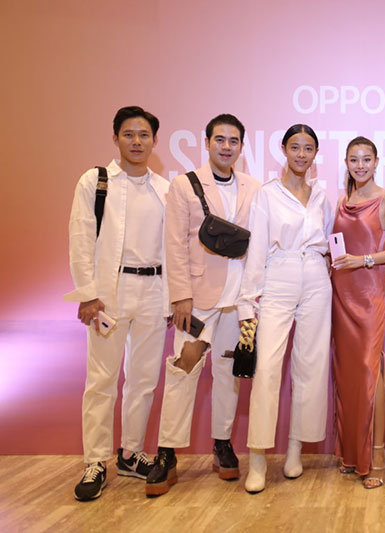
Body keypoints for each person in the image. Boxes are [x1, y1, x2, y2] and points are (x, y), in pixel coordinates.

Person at [146, 114, 260, 497]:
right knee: (184, 367)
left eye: (234, 140)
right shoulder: (184, 184)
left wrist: (254, 300)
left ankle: (222, 444)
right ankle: (167, 452)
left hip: (239, 301)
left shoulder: (253, 187)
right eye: (220, 139)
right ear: (207, 142)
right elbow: (174, 243)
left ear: (242, 146)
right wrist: (179, 295)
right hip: (196, 298)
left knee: (229, 372)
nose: (227, 146)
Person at [66, 106, 169, 501]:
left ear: (154, 141)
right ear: (115, 138)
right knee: (102, 380)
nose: (137, 142)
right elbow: (80, 238)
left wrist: (171, 299)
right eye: (129, 134)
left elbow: (173, 249)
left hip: (154, 291)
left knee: (143, 380)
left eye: (144, 135)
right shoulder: (95, 182)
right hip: (110, 293)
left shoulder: (165, 189)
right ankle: (95, 461)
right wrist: (88, 294)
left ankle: (131, 453)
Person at [238, 124, 333, 494]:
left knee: (310, 366)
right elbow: (257, 249)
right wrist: (248, 302)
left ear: (315, 154)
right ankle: (257, 458)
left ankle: (295, 449)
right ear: (283, 149)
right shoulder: (267, 194)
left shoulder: (321, 195)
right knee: (266, 369)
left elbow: (329, 243)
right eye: (295, 147)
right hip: (278, 276)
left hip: (316, 279)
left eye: (308, 148)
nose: (301, 154)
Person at [330, 136, 385, 489]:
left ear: (376, 162)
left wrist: (364, 260)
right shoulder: (341, 202)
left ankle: (376, 457)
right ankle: (351, 453)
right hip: (342, 294)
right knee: (347, 375)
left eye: (366, 159)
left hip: (370, 296)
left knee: (369, 372)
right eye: (353, 159)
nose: (360, 165)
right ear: (346, 163)